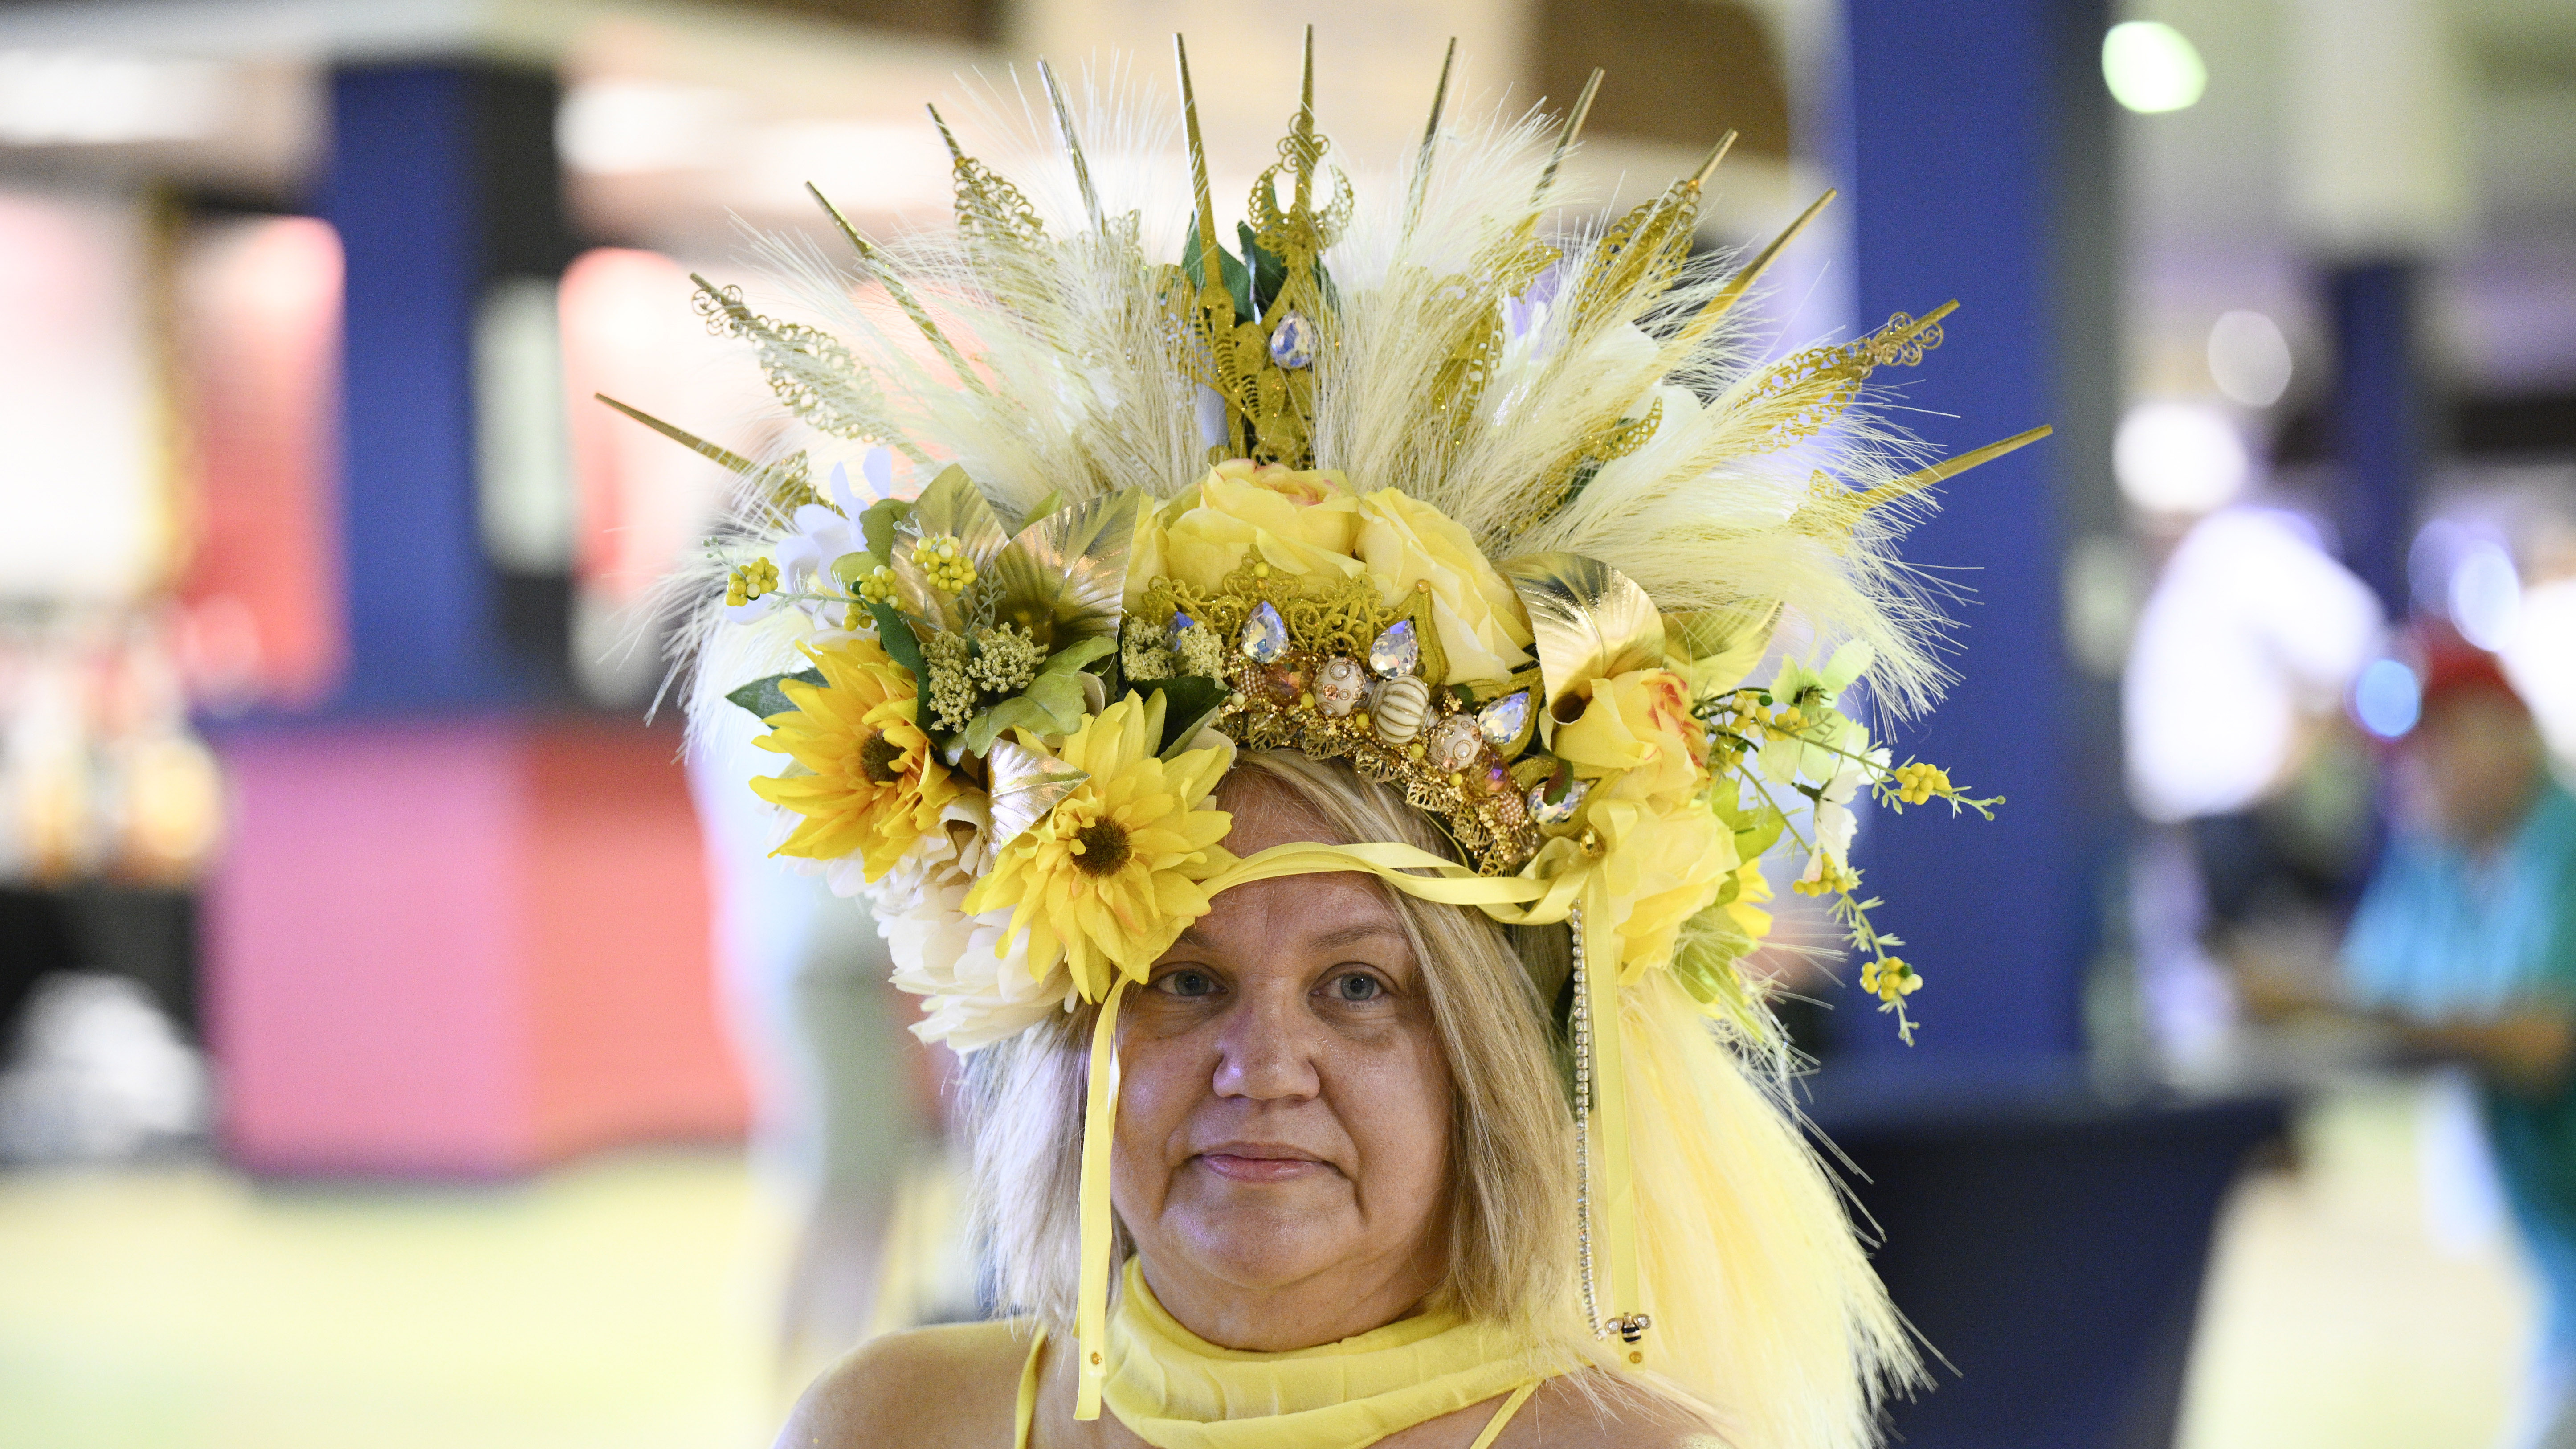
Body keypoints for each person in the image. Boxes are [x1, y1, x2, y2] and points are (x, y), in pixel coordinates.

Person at [638, 37, 2041, 1448]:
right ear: (1076, 1033)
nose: (1264, 1063)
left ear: (1492, 1061)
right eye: (1185, 978)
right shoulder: (895, 1423)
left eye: (1362, 986)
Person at [2340, 634, 2576, 1448]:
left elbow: (2540, 1042)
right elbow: (2362, 994)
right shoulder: (2440, 861)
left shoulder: (2565, 845)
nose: (2408, 777)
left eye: (2432, 747)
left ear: (2501, 732)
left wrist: (2312, 998)